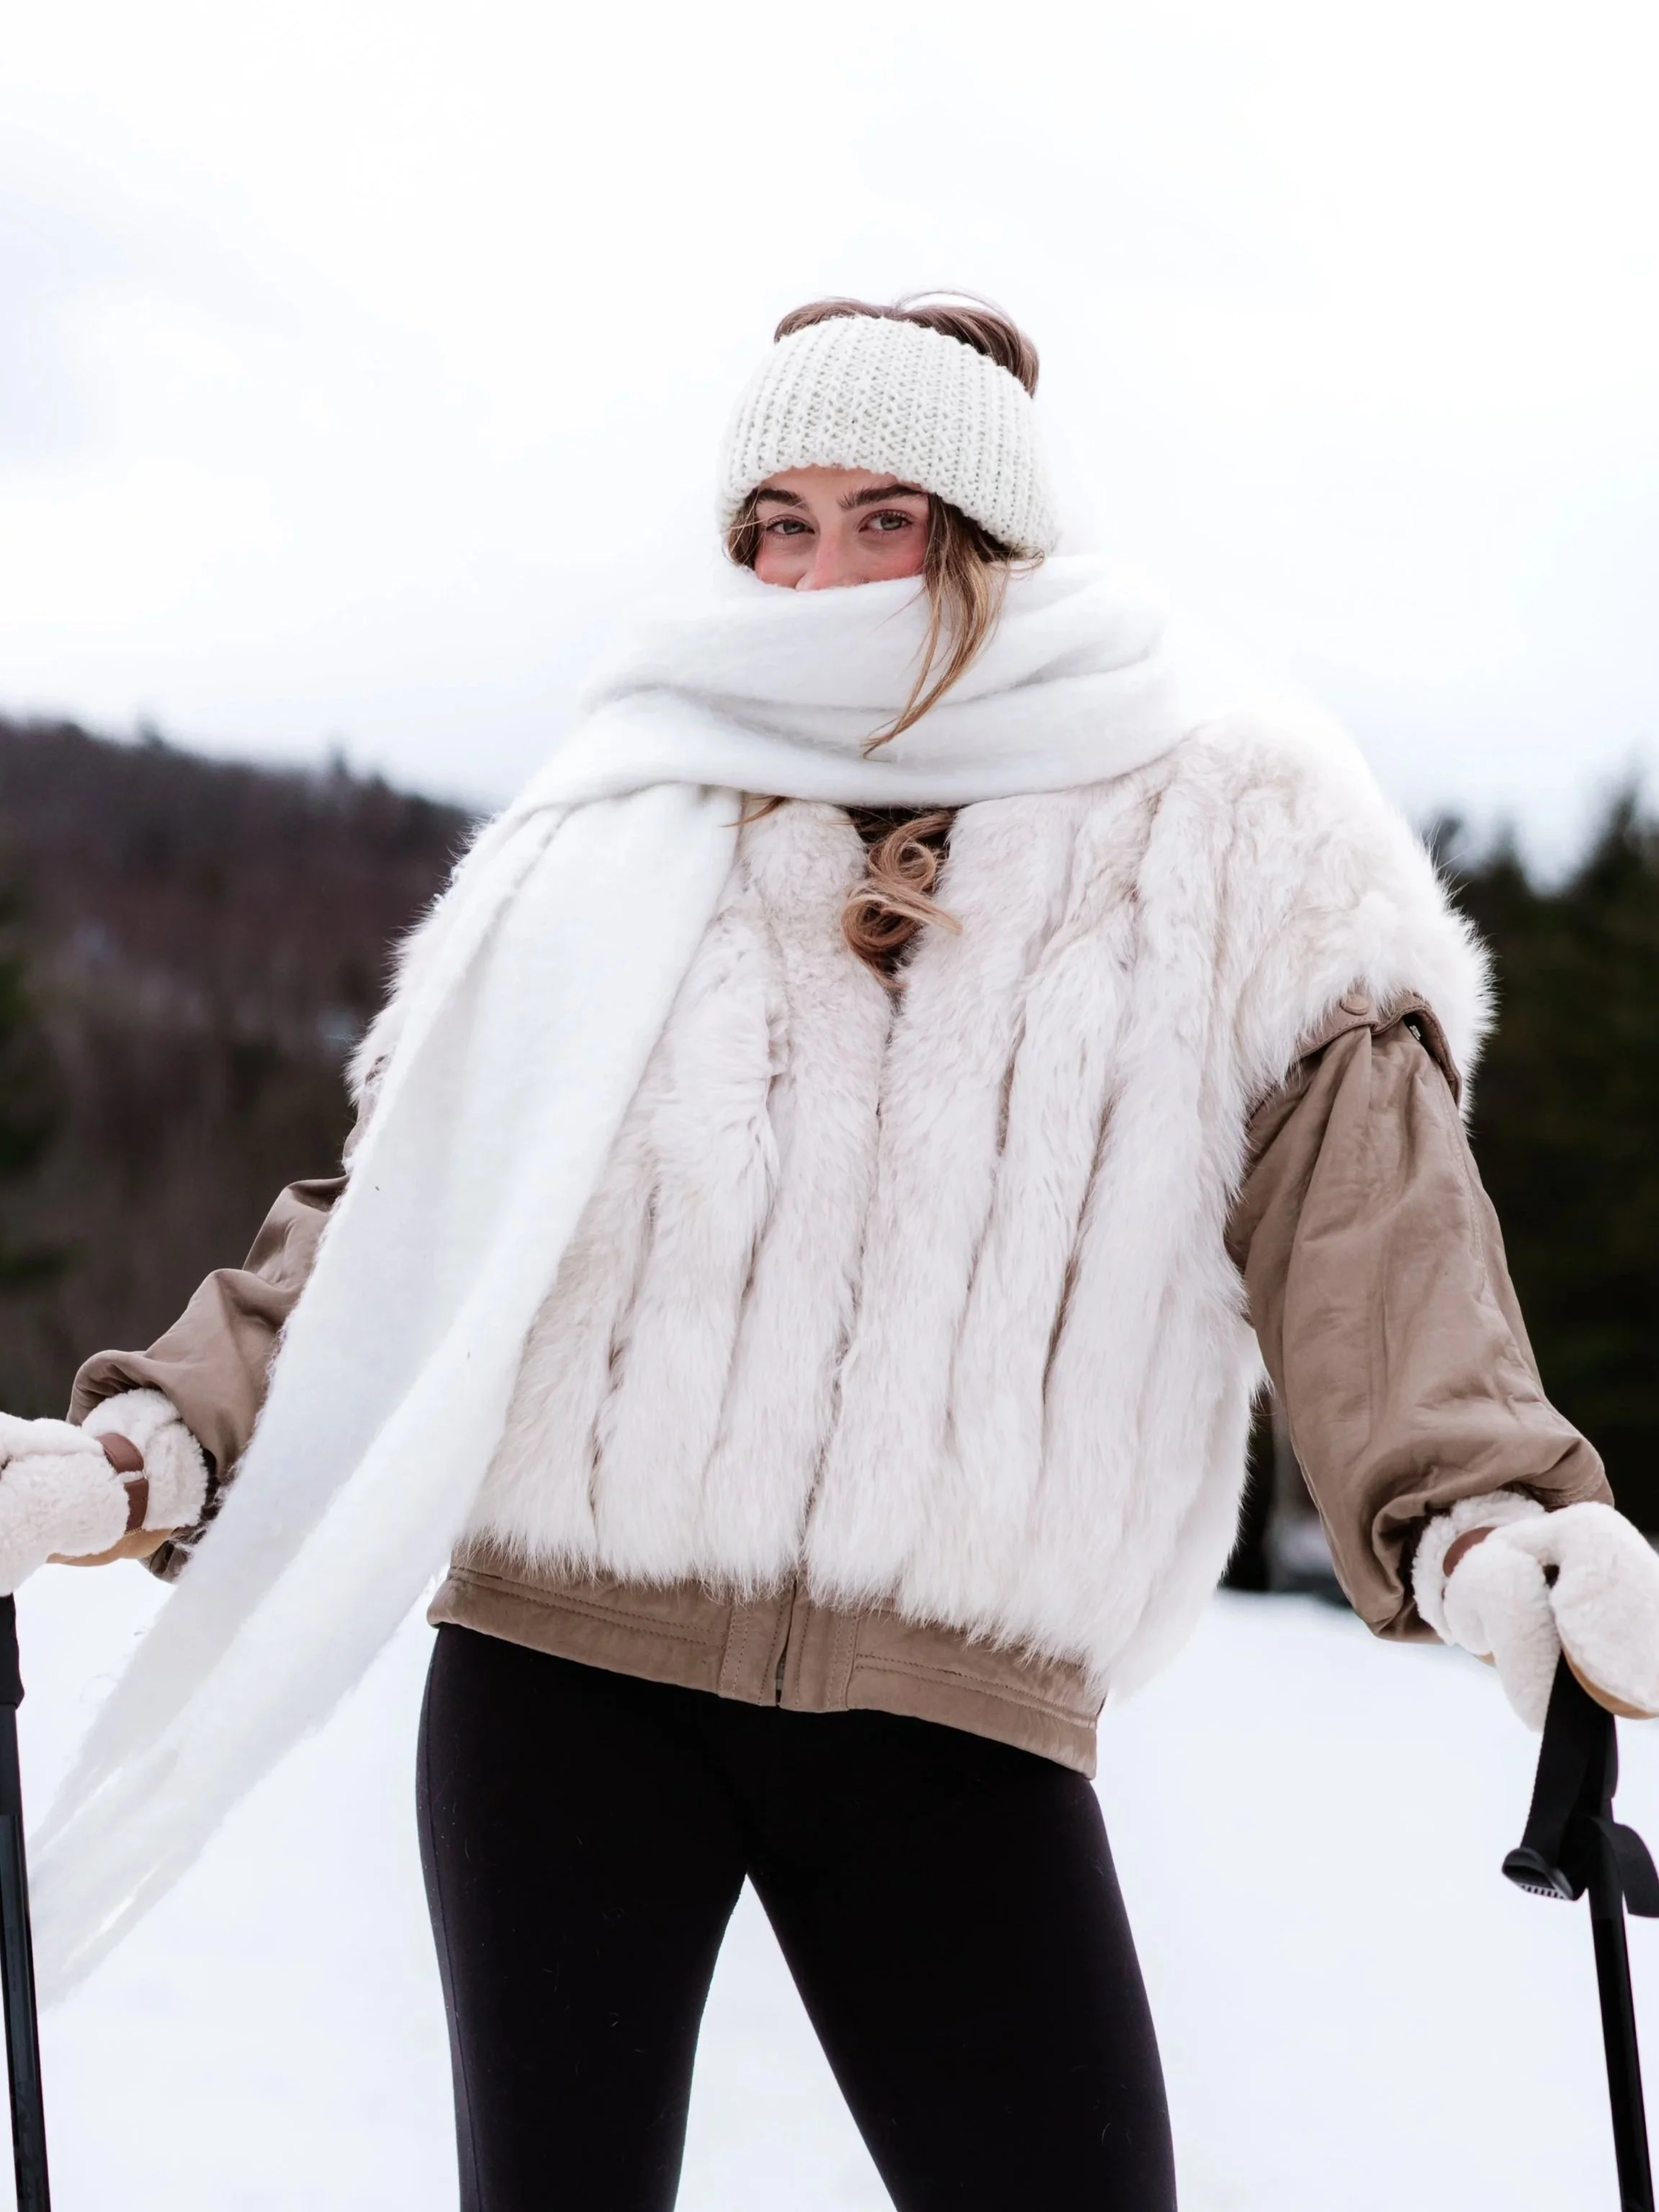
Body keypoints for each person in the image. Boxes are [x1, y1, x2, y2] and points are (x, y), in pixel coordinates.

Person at [3, 293, 1658, 2212]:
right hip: (565, 1676)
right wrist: (148, 1444)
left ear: (999, 539)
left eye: (889, 517)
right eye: (777, 524)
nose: (822, 571)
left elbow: (1369, 1235)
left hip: (947, 1706)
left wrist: (1490, 1524)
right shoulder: (633, 817)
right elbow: (412, 1222)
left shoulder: (1224, 829)